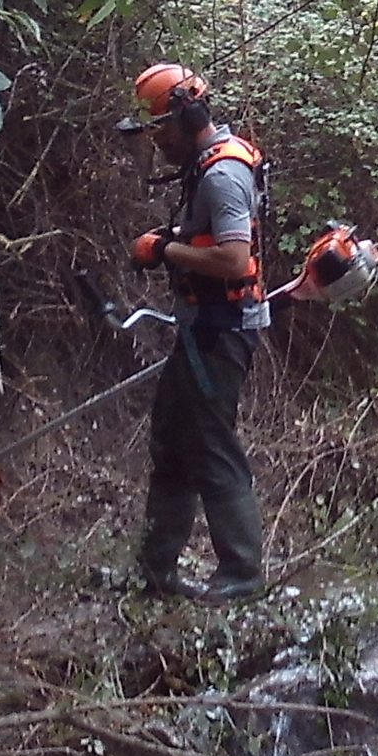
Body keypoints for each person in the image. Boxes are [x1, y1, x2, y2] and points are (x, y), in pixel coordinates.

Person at [117, 63, 270, 602]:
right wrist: (178, 236)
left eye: (159, 130)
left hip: (221, 332)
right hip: (201, 326)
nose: (156, 143)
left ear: (189, 116)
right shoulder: (208, 164)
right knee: (173, 442)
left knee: (210, 445)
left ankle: (244, 574)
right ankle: (155, 570)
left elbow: (233, 260)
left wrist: (163, 250)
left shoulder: (222, 174)